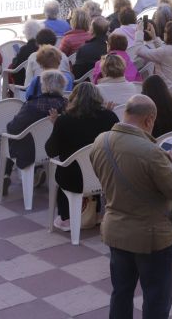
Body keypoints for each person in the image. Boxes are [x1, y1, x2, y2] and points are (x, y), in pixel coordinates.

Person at [89, 95, 172, 318]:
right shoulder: (152, 152)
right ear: (149, 120)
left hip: (115, 228)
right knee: (157, 297)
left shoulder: (100, 141)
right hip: (151, 235)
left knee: (121, 292)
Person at [46, 82, 118, 231]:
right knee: (94, 161)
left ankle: (67, 217)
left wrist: (56, 126)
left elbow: (51, 151)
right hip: (103, 176)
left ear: (74, 98)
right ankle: (96, 212)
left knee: (64, 168)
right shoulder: (110, 117)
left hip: (72, 179)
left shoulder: (64, 120)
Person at [0, 70, 68, 197]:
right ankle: (38, 170)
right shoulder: (66, 104)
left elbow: (13, 127)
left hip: (31, 150)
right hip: (56, 149)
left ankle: (6, 174)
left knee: (7, 137)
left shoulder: (31, 105)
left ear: (45, 86)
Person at [8, 20, 42, 87]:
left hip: (26, 84)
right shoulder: (44, 48)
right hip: (42, 82)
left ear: (27, 33)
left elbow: (15, 70)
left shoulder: (24, 49)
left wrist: (15, 58)